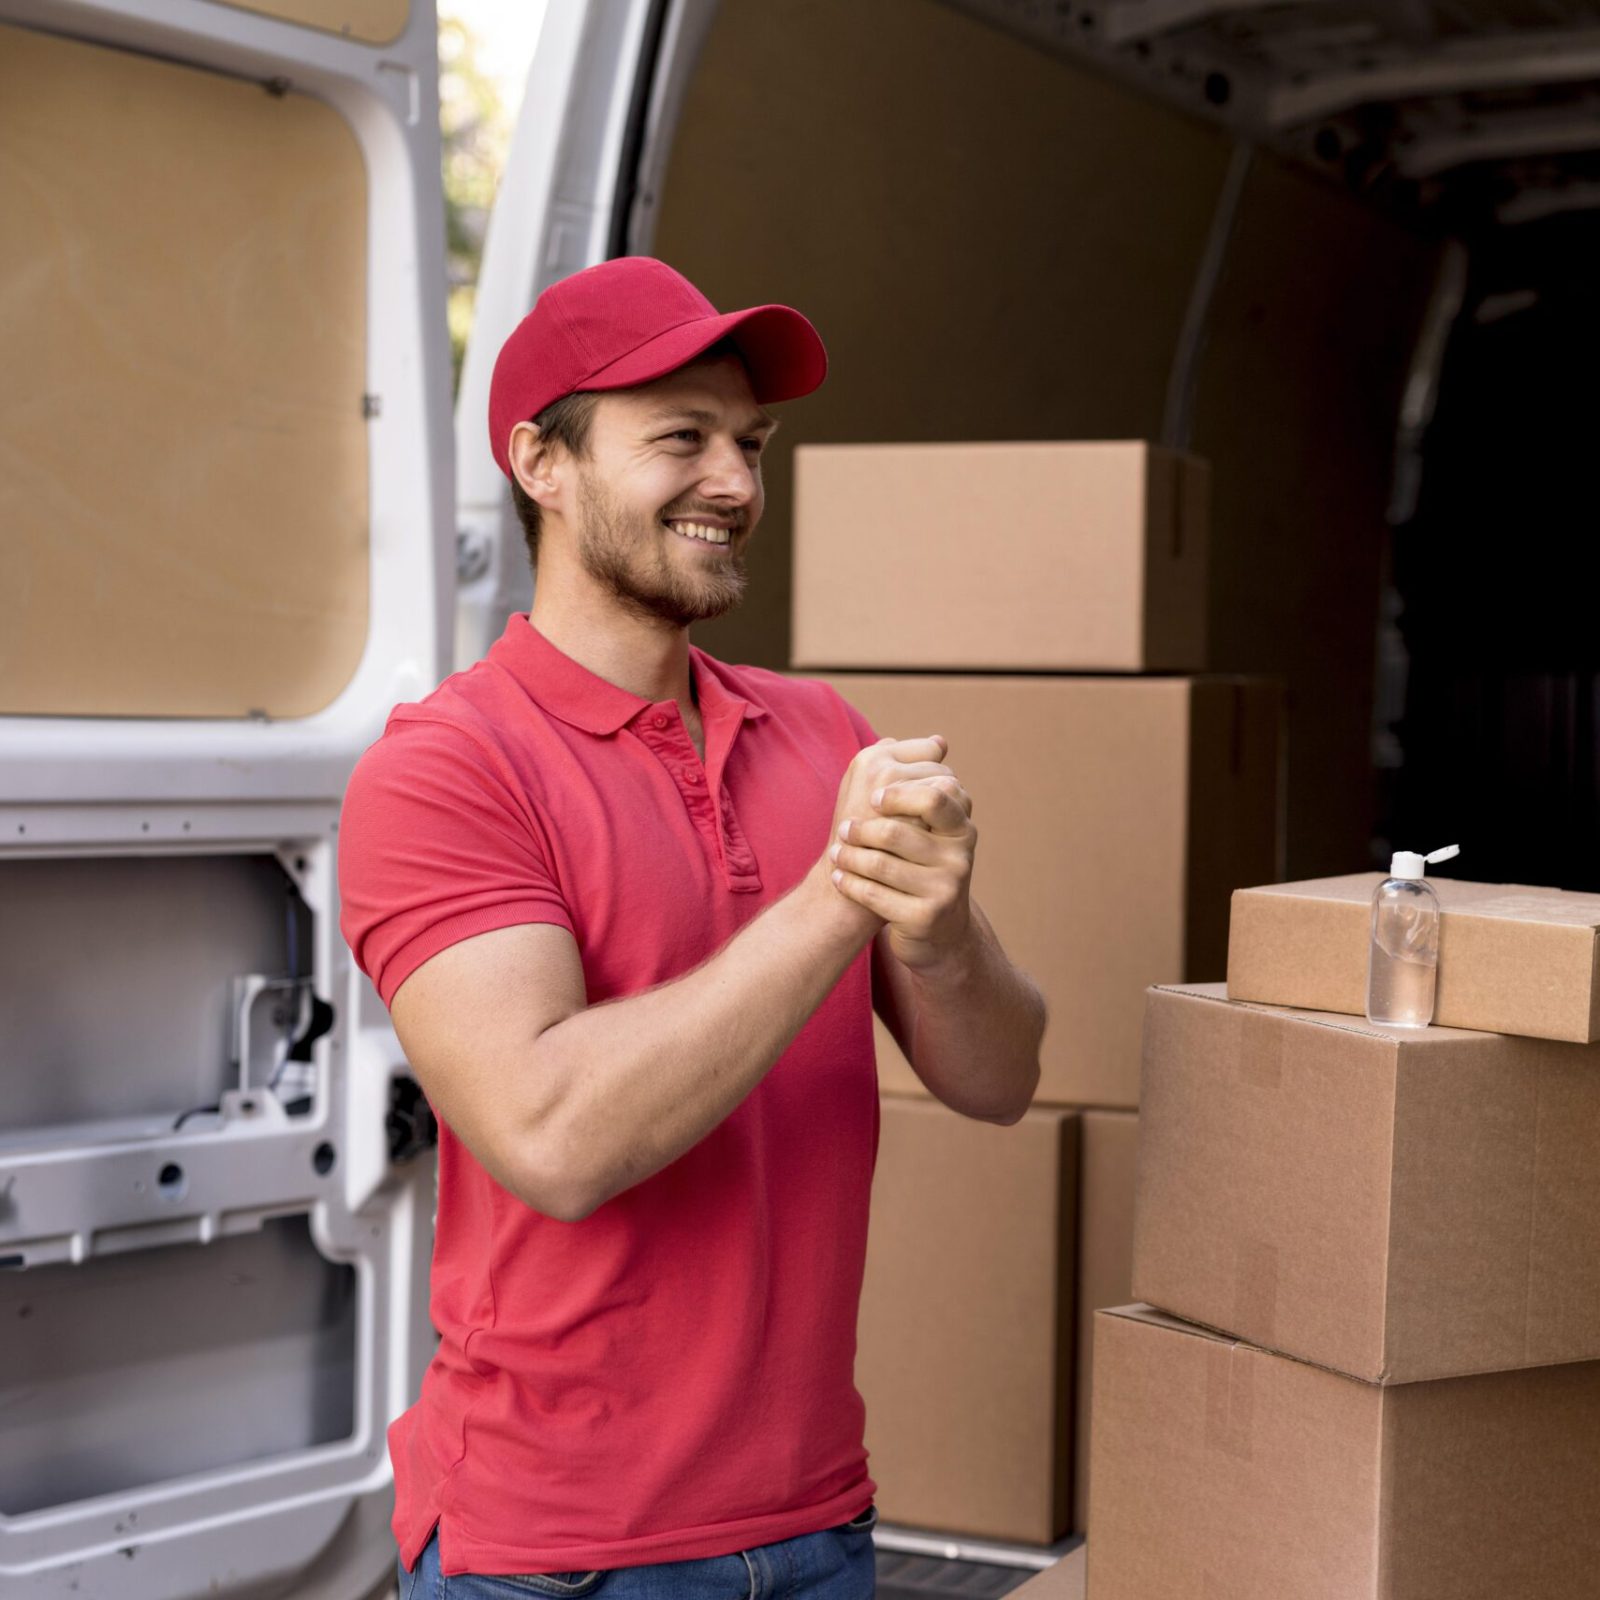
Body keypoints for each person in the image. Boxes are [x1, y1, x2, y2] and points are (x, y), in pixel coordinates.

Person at [338, 256, 1045, 1600]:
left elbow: (999, 1079)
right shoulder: (448, 770)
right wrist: (841, 893)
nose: (735, 482)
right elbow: (552, 1137)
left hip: (820, 1526)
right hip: (563, 1556)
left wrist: (942, 930)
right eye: (681, 438)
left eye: (750, 444)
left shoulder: (820, 732)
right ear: (542, 463)